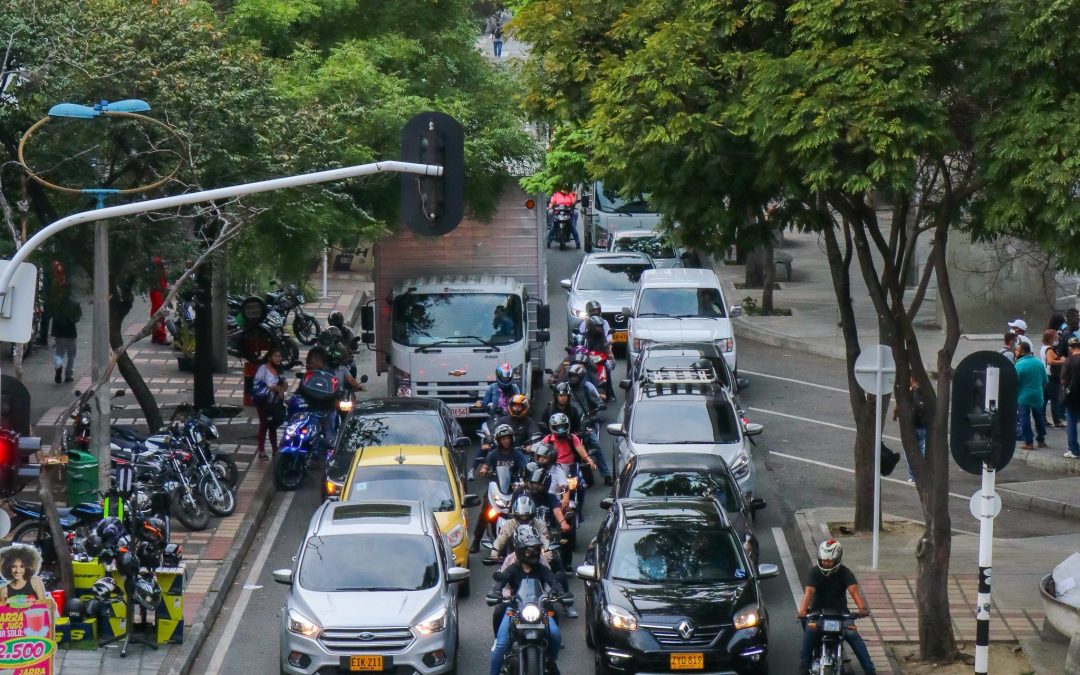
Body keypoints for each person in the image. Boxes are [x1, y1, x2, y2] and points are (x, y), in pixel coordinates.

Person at [489, 528, 563, 675]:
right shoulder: (512, 569)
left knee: (555, 634)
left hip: (540, 610)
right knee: (501, 645)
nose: (533, 553)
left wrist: (560, 592)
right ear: (520, 550)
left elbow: (553, 581)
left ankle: (550, 660)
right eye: (529, 550)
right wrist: (496, 592)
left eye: (536, 549)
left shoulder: (542, 569)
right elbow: (500, 582)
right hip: (514, 610)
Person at [798, 540, 875, 675]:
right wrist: (803, 611)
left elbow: (854, 591)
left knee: (852, 634)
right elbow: (809, 592)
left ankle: (870, 670)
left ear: (838, 560)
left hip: (842, 615)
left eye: (830, 561)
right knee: (809, 632)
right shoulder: (814, 572)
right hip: (818, 614)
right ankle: (804, 666)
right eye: (823, 560)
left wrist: (862, 609)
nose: (826, 563)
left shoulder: (846, 573)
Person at [0, 545, 54, 618]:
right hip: (16, 626)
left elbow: (43, 605)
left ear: (27, 567)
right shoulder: (4, 590)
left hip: (35, 622)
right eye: (13, 566)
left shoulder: (35, 581)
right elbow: (3, 614)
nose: (17, 571)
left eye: (22, 566)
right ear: (8, 568)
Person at [252, 348, 288, 460]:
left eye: (279, 356)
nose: (278, 359)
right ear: (270, 357)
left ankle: (274, 450)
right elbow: (257, 384)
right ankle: (261, 451)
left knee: (273, 426)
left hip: (276, 402)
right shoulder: (263, 369)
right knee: (264, 425)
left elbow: (285, 383)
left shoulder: (279, 369)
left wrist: (281, 390)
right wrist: (272, 388)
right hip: (264, 402)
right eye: (276, 356)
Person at [893, 374, 927, 484]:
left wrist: (895, 414)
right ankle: (922, 473)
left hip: (912, 427)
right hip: (924, 426)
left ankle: (913, 475)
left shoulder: (910, 392)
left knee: (911, 451)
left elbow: (899, 406)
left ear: (911, 379)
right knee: (923, 450)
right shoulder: (926, 391)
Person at [1015, 341, 1048, 450]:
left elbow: (1015, 382)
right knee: (1039, 418)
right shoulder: (1038, 363)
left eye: (1017, 350)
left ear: (1023, 352)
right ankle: (1041, 439)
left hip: (1023, 396)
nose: (1015, 352)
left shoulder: (1019, 365)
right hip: (1038, 395)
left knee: (1024, 418)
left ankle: (1028, 442)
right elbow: (1045, 380)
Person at [1041, 328, 1067, 428]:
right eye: (1055, 337)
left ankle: (1042, 419)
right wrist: (1062, 361)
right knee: (1054, 399)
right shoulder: (1050, 349)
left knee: (1044, 399)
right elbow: (1051, 361)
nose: (1057, 339)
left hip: (1046, 375)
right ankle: (1057, 421)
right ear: (1051, 338)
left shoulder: (1044, 347)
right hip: (1052, 376)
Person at [51, 297, 81, 384]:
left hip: (59, 334)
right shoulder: (74, 304)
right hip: (71, 333)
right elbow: (77, 318)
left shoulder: (56, 303)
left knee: (59, 353)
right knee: (71, 356)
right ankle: (69, 375)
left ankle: (58, 365)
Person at [1061, 337, 1080, 459]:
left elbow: (1062, 379)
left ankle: (1074, 450)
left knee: (1072, 422)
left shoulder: (1069, 361)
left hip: (1073, 396)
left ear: (1071, 348)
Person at [149, 256, 169, 345]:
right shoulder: (156, 265)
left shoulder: (160, 267)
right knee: (159, 314)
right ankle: (161, 337)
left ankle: (156, 335)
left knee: (157, 313)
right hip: (157, 292)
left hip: (160, 292)